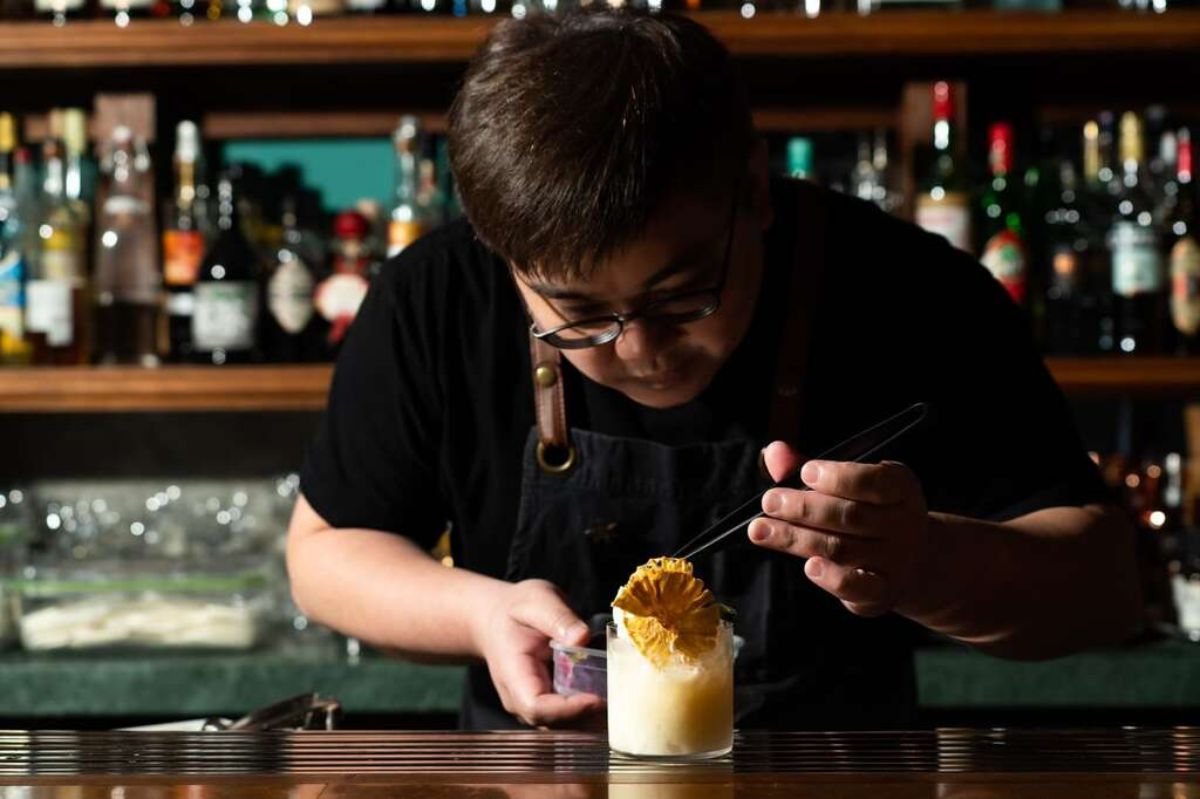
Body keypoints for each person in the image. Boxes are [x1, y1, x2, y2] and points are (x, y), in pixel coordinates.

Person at [287, 9, 1141, 731]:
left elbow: (1105, 586)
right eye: (578, 316)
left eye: (681, 296)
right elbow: (325, 554)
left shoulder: (912, 290)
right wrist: (481, 613)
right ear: (500, 253)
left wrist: (928, 563)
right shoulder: (436, 294)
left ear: (755, 191)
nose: (640, 351)